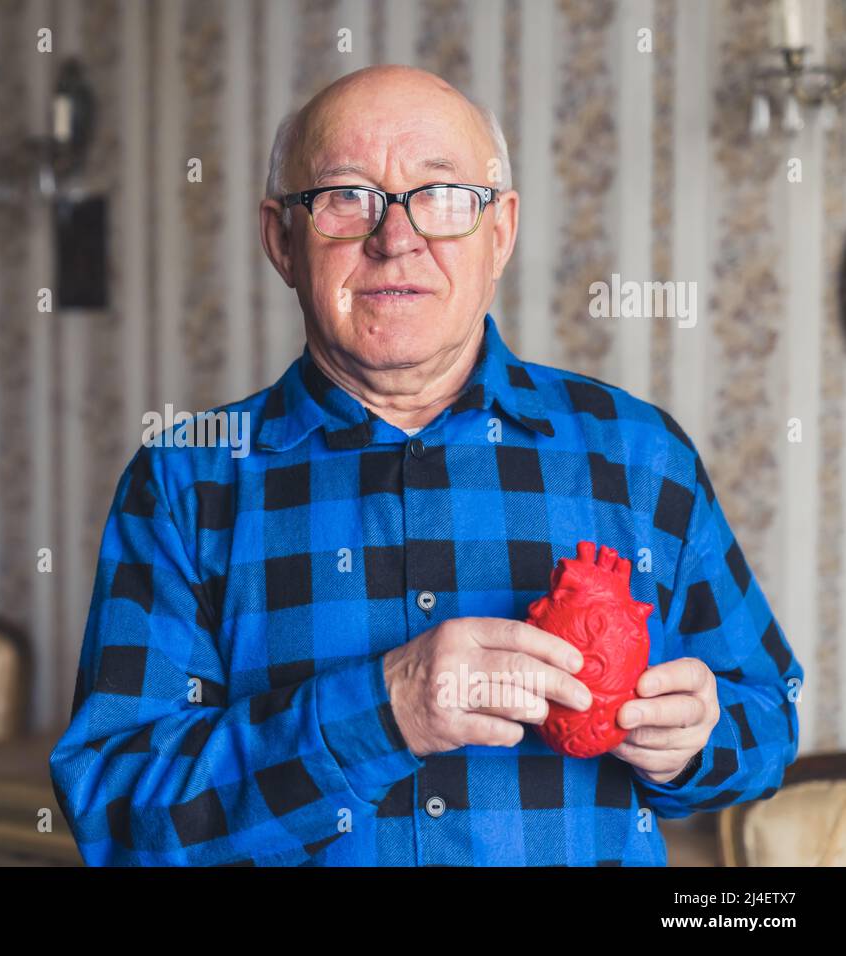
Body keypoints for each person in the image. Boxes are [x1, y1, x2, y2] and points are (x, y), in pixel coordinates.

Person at [49, 65, 803, 865]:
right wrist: (383, 710)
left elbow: (771, 715)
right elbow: (115, 811)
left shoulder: (641, 455)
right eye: (346, 197)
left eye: (442, 197)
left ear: (501, 232)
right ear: (281, 240)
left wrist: (698, 741)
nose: (395, 237)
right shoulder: (182, 483)